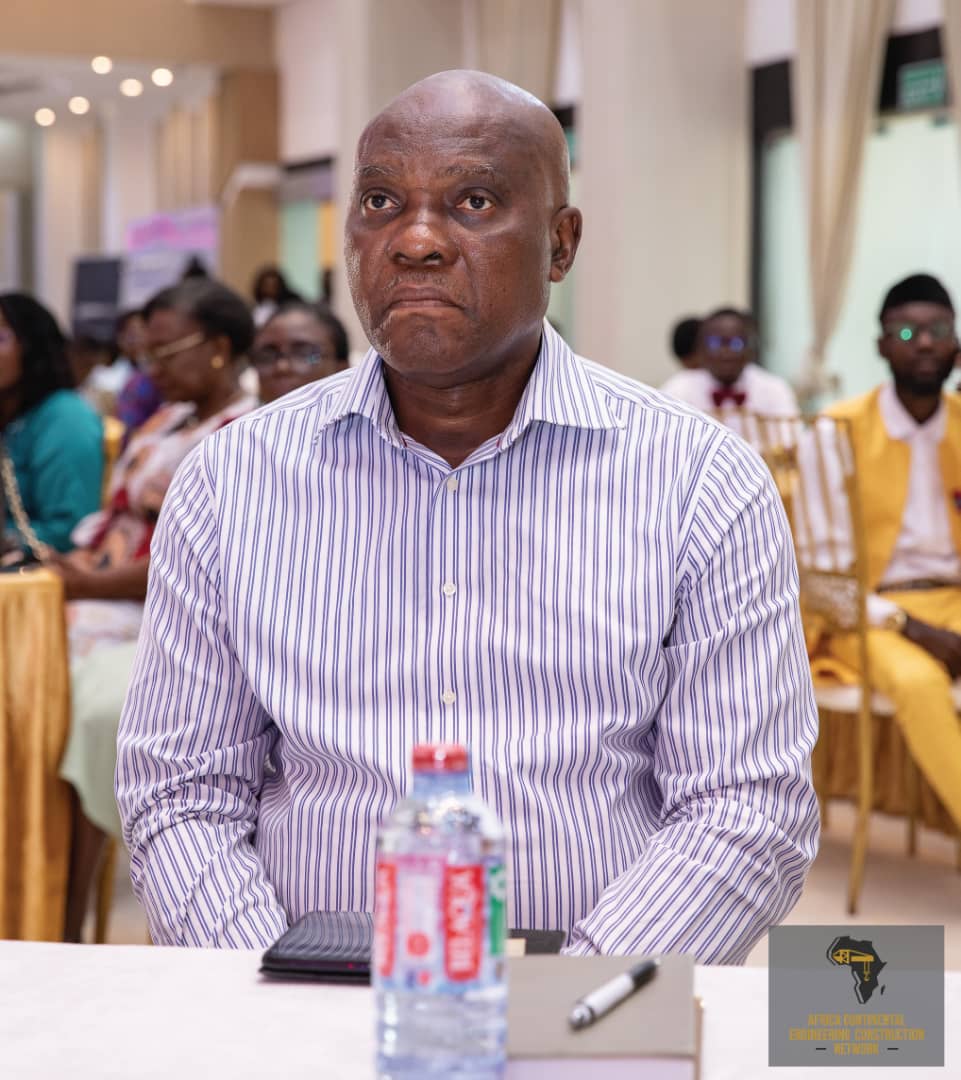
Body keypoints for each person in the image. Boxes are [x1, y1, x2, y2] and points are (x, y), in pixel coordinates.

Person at [117, 71, 819, 960]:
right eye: (381, 202)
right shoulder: (233, 480)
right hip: (295, 995)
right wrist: (278, 994)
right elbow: (181, 793)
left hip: (595, 1004)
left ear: (560, 244)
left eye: (473, 201)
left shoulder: (698, 480)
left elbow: (745, 805)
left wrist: (570, 1007)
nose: (414, 241)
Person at [52, 278, 258, 941]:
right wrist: (74, 565)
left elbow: (195, 560)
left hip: (162, 615)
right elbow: (115, 519)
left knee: (78, 701)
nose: (152, 369)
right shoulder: (165, 421)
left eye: (167, 353)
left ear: (219, 347)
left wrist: (86, 586)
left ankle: (68, 916)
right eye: (146, 355)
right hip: (101, 594)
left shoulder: (247, 435)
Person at [807, 273, 961, 834]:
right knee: (920, 683)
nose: (925, 343)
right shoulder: (836, 432)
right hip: (865, 614)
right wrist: (912, 627)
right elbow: (825, 579)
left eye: (939, 330)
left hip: (951, 601)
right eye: (908, 332)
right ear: (881, 345)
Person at [0, 293, 103, 558]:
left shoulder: (66, 417)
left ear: (31, 347)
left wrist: (9, 539)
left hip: (39, 570)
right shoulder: (10, 416)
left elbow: (70, 529)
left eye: (0, 338)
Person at [661, 307, 798, 418]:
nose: (726, 352)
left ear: (750, 349)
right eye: (715, 343)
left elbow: (792, 439)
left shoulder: (774, 389)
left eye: (736, 344)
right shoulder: (678, 390)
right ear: (701, 348)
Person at [252, 302, 350, 404]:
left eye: (303, 353)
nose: (282, 367)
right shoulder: (245, 414)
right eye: (267, 356)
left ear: (342, 368)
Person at [114, 309, 163, 435]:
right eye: (133, 334)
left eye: (143, 331)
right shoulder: (107, 378)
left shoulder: (158, 373)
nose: (140, 339)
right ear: (120, 339)